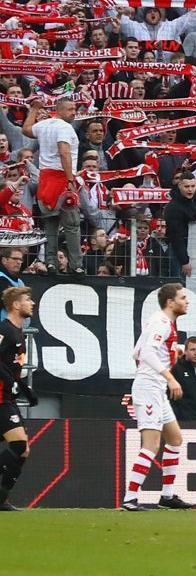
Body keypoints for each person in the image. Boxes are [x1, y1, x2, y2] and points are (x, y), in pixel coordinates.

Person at [123, 283, 194, 511]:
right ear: (170, 302)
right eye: (183, 298)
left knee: (174, 439)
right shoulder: (161, 323)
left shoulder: (162, 323)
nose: (186, 301)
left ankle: (167, 496)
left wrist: (173, 352)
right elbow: (146, 353)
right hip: (149, 388)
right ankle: (130, 498)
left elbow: (137, 351)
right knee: (151, 445)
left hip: (155, 388)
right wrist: (169, 376)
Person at [21, 97, 82, 274]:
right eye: (70, 109)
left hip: (45, 181)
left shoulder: (44, 125)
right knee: (72, 225)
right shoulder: (64, 127)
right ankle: (76, 265)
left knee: (51, 225)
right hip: (62, 178)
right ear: (59, 110)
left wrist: (34, 110)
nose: (74, 112)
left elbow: (26, 130)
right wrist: (70, 180)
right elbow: (64, 152)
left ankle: (51, 263)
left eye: (75, 108)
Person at [0, 287, 35, 511]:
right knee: (19, 444)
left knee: (22, 450)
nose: (32, 303)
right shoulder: (4, 330)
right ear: (15, 305)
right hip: (0, 398)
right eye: (27, 300)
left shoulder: (18, 333)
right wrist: (11, 382)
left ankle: (1, 499)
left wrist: (24, 388)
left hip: (8, 397)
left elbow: (10, 368)